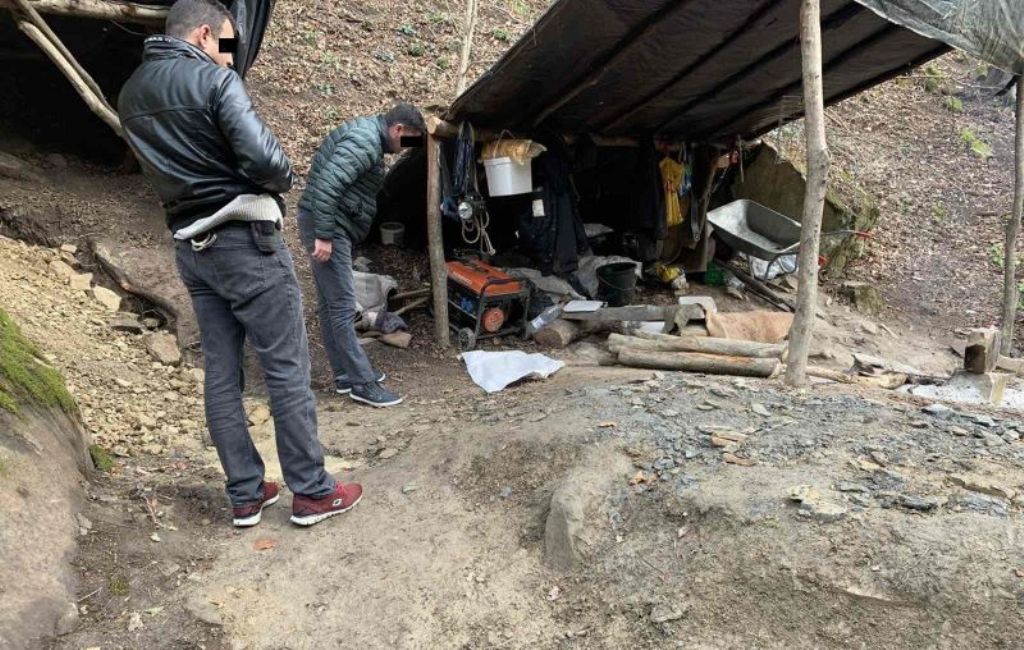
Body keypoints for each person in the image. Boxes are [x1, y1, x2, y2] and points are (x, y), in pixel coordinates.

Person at [118, 0, 361, 528]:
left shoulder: (131, 93)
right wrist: (284, 174)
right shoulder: (215, 81)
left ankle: (246, 493)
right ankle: (313, 492)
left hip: (191, 249)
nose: (231, 56)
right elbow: (269, 163)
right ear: (205, 34)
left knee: (222, 373)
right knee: (285, 367)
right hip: (246, 242)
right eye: (228, 44)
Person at [297, 104, 425, 408]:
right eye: (409, 140)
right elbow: (328, 185)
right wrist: (325, 235)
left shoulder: (369, 137)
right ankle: (362, 383)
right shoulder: (364, 143)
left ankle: (344, 374)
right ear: (398, 129)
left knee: (331, 306)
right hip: (328, 226)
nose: (407, 148)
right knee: (343, 306)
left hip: (326, 222)